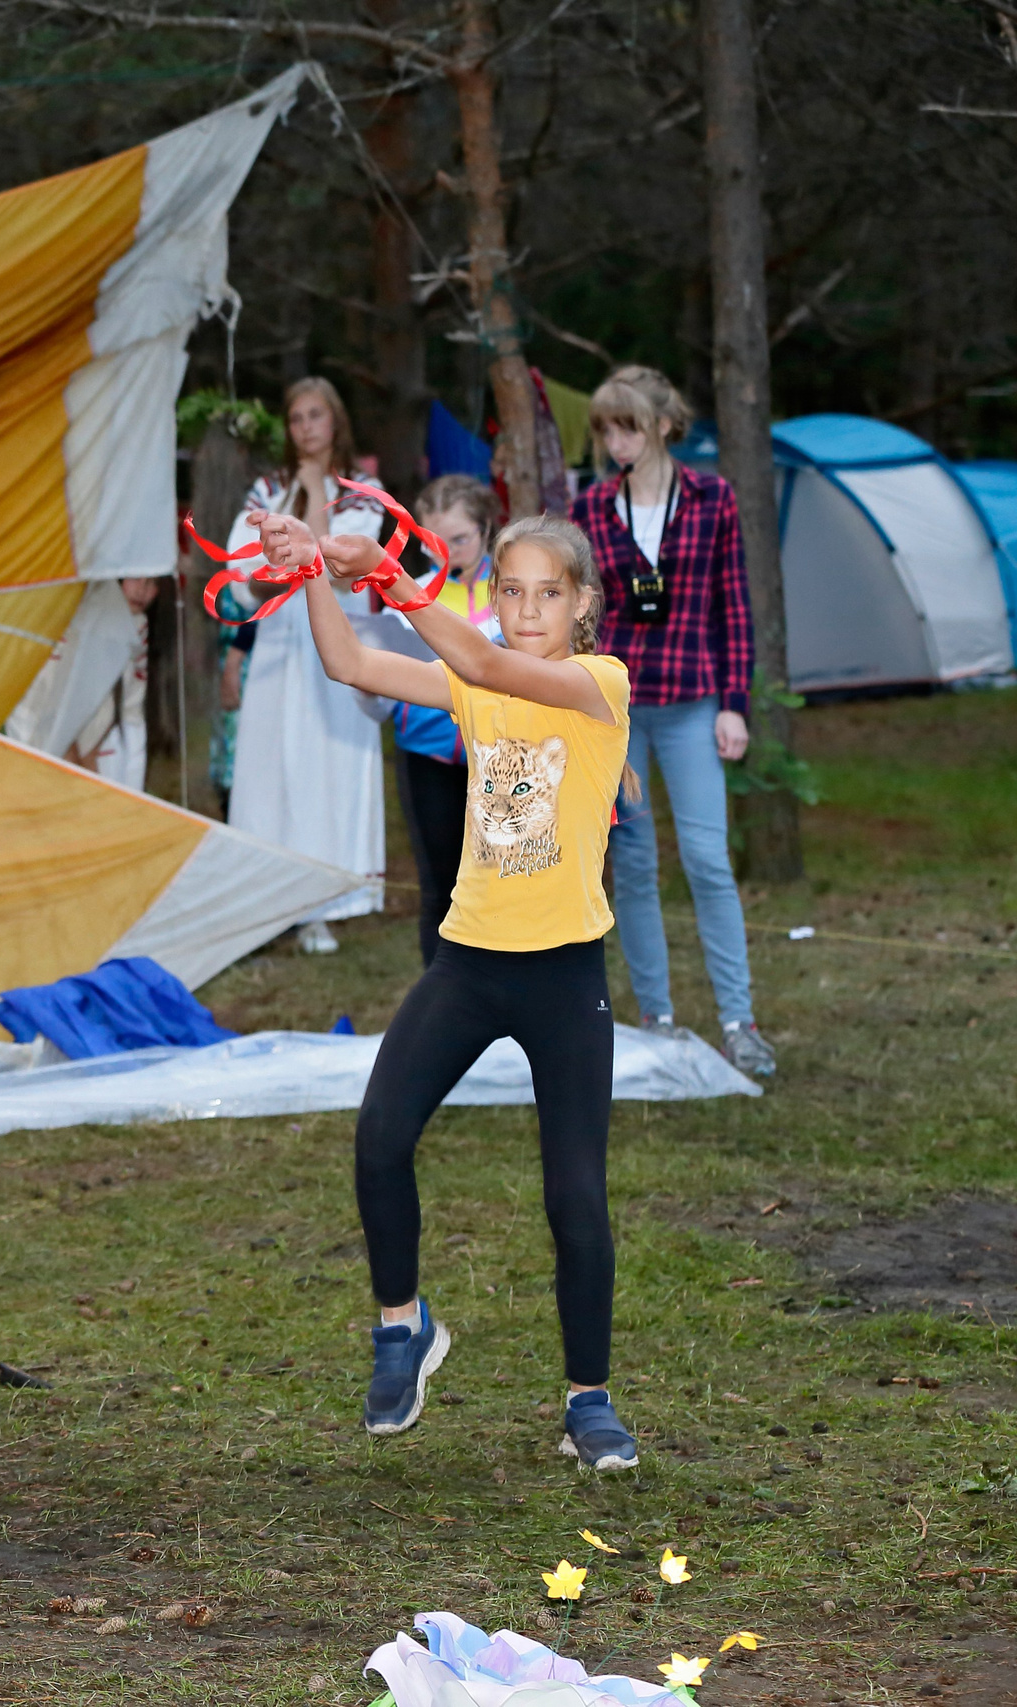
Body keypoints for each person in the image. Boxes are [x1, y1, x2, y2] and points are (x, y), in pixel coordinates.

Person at [252, 503, 643, 1472]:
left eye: (546, 594)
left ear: (582, 604)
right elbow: (354, 666)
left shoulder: (597, 683)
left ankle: (586, 1402)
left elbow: (488, 667)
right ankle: (402, 1328)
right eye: (508, 592)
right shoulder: (477, 678)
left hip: (562, 975)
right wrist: (310, 574)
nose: (524, 610)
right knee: (380, 1138)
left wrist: (387, 574)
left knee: (574, 1197)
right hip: (468, 963)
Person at [570, 365, 775, 1079]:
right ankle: (655, 1018)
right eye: (604, 429)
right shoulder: (593, 508)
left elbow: (734, 608)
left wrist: (734, 704)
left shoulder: (713, 498)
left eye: (625, 425)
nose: (615, 441)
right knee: (632, 864)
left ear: (661, 424)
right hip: (616, 712)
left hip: (693, 705)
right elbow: (582, 612)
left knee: (708, 860)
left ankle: (738, 1020)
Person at [226, 378, 391, 952]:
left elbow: (345, 568)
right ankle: (267, 903)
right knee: (272, 768)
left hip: (337, 642)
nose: (306, 426)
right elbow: (246, 571)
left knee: (327, 767)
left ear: (335, 420)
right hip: (278, 645)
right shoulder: (266, 489)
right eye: (296, 417)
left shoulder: (364, 490)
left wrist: (317, 492)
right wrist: (293, 507)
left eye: (316, 414)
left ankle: (326, 901)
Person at [390, 475, 503, 966]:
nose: (449, 552)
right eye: (435, 542)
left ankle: (508, 998)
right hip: (427, 752)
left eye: (461, 539)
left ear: (486, 530)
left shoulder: (510, 588)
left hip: (501, 754)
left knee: (504, 881)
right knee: (441, 885)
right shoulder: (407, 590)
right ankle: (440, 1005)